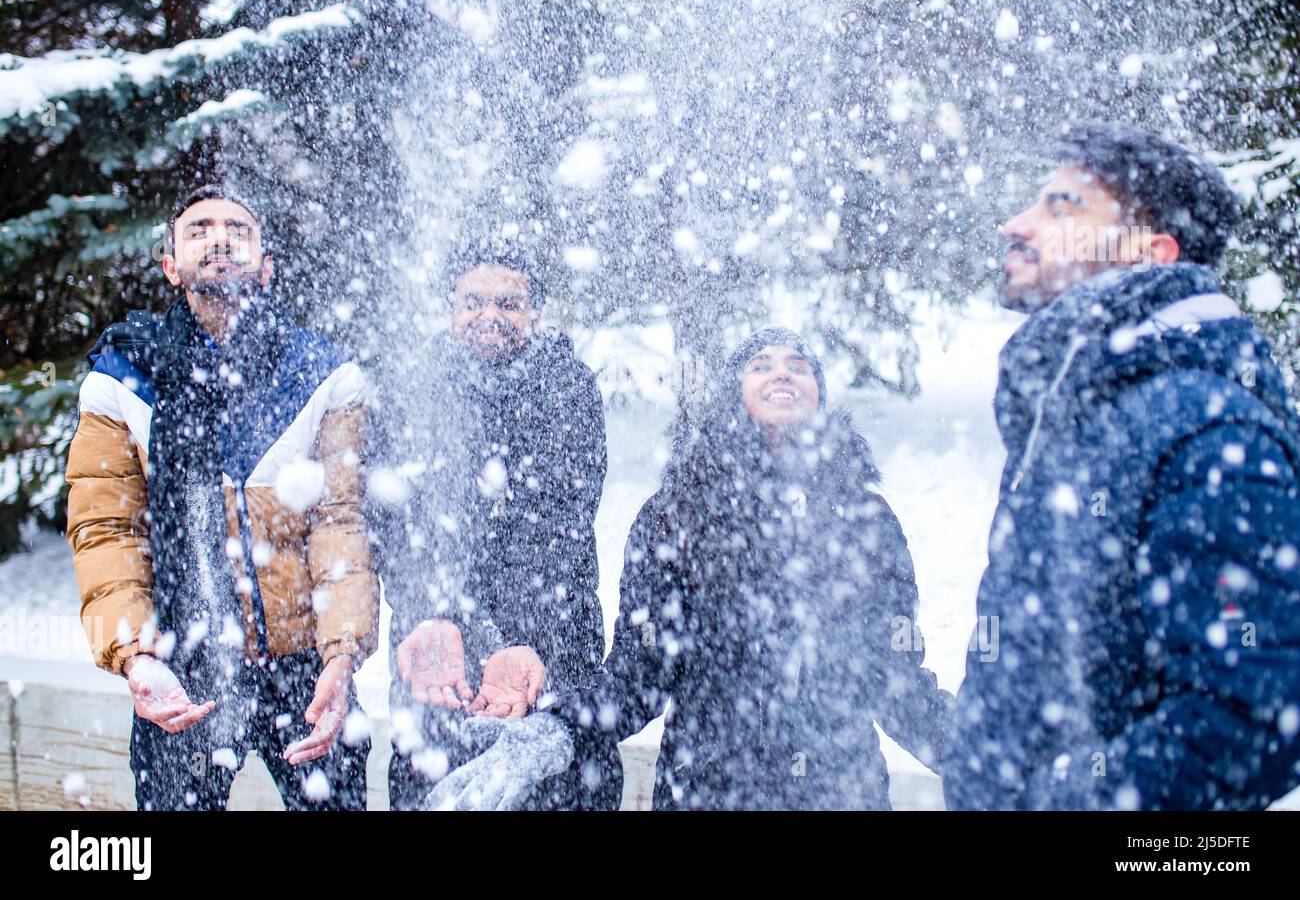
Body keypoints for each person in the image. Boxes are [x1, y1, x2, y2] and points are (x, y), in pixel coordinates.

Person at [425, 328, 953, 810]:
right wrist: (559, 731)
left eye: (799, 364)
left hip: (842, 792)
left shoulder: (866, 520)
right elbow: (639, 675)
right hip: (708, 790)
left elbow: (893, 678)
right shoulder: (675, 514)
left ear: (819, 396)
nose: (782, 373)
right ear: (731, 396)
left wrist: (974, 749)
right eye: (760, 364)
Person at [943, 123, 1300, 810]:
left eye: (1063, 206)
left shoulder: (1205, 426)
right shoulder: (1074, 420)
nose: (1016, 223)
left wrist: (1053, 802)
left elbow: (1251, 714)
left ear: (1152, 253)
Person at [65, 184, 379, 810]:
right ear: (171, 266)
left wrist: (342, 656)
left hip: (302, 665)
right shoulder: (125, 377)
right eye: (199, 228)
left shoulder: (320, 374)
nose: (219, 239)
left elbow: (340, 523)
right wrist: (136, 657)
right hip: (182, 660)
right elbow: (108, 529)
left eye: (238, 229)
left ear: (266, 265)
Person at [368, 241, 621, 810]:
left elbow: (560, 523)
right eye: (474, 302)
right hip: (438, 659)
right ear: (450, 309)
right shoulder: (412, 389)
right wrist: (435, 611)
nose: (490, 317)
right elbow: (390, 522)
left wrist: (522, 639)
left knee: (559, 789)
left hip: (553, 646)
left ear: (535, 313)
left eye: (509, 304)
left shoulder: (567, 387)